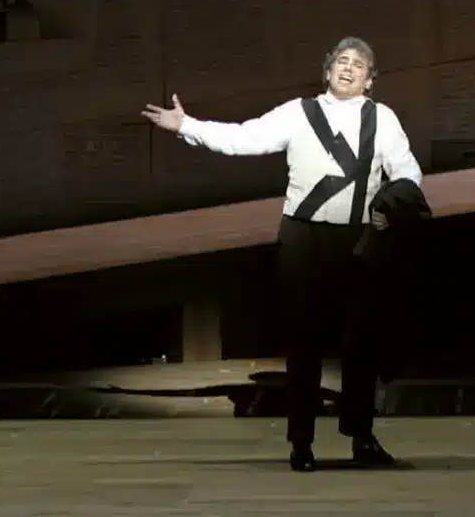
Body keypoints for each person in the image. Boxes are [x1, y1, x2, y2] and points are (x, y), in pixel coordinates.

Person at [141, 37, 426, 472]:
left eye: (359, 65)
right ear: (327, 71)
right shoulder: (299, 113)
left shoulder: (381, 119)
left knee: (361, 345)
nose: (348, 69)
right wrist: (187, 126)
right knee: (304, 342)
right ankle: (301, 444)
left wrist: (391, 208)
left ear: (370, 80)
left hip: (358, 240)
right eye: (341, 62)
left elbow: (407, 171)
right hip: (303, 240)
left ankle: (361, 438)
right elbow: (244, 138)